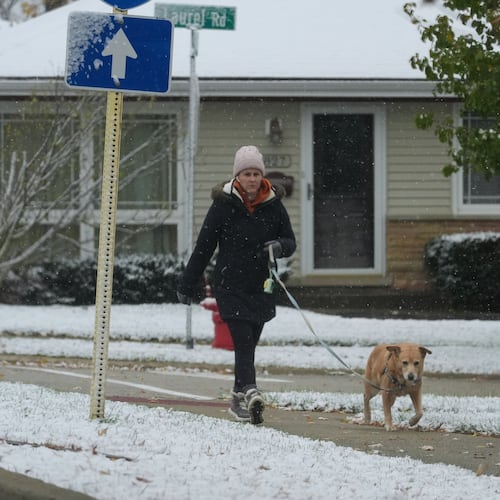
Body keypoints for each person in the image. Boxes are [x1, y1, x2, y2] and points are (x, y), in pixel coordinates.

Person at [177, 145, 296, 425]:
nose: (252, 179)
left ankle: (236, 396)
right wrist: (187, 282)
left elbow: (290, 242)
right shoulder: (223, 205)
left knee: (249, 344)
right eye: (246, 173)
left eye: (256, 173)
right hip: (230, 284)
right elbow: (204, 247)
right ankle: (251, 392)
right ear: (237, 176)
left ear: (261, 176)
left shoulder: (273, 204)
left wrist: (278, 246)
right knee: (242, 340)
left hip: (261, 285)